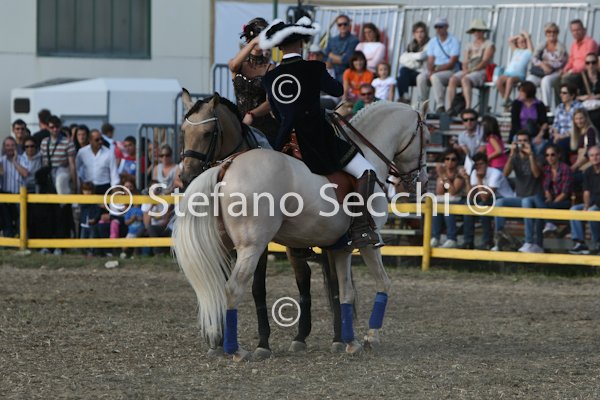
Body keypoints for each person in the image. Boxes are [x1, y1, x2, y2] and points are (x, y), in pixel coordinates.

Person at [260, 17, 382, 247]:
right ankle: (360, 228)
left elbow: (276, 112)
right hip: (317, 140)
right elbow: (336, 90)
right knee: (367, 170)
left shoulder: (270, 78)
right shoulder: (314, 67)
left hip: (285, 141)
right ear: (301, 43)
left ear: (279, 48)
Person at [229, 17, 279, 145]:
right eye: (255, 36)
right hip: (239, 124)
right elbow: (233, 66)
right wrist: (253, 43)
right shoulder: (238, 65)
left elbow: (270, 102)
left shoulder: (270, 68)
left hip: (263, 126)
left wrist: (252, 114)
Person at [493, 131, 544, 253]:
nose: (522, 144)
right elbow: (505, 174)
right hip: (520, 198)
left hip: (535, 198)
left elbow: (537, 174)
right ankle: (499, 239)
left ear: (530, 142)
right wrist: (511, 155)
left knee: (526, 201)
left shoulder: (538, 156)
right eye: (520, 141)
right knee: (499, 202)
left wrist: (531, 155)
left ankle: (529, 242)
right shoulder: (515, 157)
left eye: (525, 141)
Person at [459, 152, 515, 249]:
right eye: (476, 165)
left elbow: (485, 197)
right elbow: (470, 196)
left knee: (483, 205)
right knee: (469, 204)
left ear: (487, 164)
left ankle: (487, 241)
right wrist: (467, 179)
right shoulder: (475, 173)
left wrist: (479, 179)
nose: (479, 167)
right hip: (490, 199)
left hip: (504, 199)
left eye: (481, 164)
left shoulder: (495, 173)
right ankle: (468, 241)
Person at [446, 19, 495, 112]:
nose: (476, 32)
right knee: (453, 79)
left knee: (465, 80)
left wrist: (470, 71)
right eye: (474, 30)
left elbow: (485, 62)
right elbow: (465, 61)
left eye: (479, 30)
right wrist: (465, 70)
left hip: (482, 71)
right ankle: (450, 107)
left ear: (483, 31)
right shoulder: (469, 45)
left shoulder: (489, 45)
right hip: (468, 71)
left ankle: (468, 108)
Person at [415, 17, 460, 114]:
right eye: (436, 27)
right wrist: (430, 70)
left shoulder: (454, 41)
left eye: (440, 26)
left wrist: (435, 70)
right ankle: (424, 107)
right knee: (420, 77)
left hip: (449, 70)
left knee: (435, 77)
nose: (438, 29)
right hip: (435, 69)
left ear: (446, 27)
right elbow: (430, 59)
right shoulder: (433, 41)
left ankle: (440, 106)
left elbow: (452, 63)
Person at [553, 19, 598, 106]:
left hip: (584, 73)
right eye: (573, 31)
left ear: (584, 30)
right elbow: (571, 60)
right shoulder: (574, 44)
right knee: (556, 82)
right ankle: (561, 107)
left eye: (578, 30)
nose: (576, 32)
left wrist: (571, 71)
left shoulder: (590, 43)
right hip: (573, 72)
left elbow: (588, 62)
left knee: (566, 80)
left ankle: (571, 105)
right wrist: (564, 71)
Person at [525, 22, 567, 110]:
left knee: (545, 81)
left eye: (554, 31)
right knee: (529, 81)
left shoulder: (561, 47)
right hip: (541, 71)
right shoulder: (542, 45)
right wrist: (542, 64)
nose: (551, 34)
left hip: (555, 72)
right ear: (545, 33)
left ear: (557, 33)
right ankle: (529, 105)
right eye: (549, 31)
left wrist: (549, 65)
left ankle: (546, 107)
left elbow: (561, 62)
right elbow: (533, 58)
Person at [569, 145, 600, 255]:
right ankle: (580, 242)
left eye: (597, 155)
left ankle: (597, 243)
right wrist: (586, 207)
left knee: (592, 211)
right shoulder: (587, 171)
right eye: (592, 155)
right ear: (589, 158)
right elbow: (586, 191)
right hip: (592, 203)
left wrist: (589, 208)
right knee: (574, 209)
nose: (595, 157)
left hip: (598, 205)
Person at [431, 148, 464, 248]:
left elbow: (453, 192)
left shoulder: (459, 173)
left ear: (457, 161)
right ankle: (435, 237)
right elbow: (439, 192)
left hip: (459, 201)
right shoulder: (442, 173)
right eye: (447, 159)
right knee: (436, 206)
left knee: (447, 207)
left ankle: (451, 238)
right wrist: (442, 176)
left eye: (453, 159)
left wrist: (443, 176)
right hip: (446, 201)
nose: (450, 162)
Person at [496, 32, 534, 111]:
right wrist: (518, 36)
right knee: (499, 81)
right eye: (520, 42)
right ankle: (507, 100)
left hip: (519, 75)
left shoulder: (528, 52)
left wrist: (526, 36)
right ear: (517, 44)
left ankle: (505, 99)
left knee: (510, 80)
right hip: (508, 73)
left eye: (523, 42)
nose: (522, 44)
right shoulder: (516, 50)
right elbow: (509, 40)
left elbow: (530, 46)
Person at [541, 144, 573, 235]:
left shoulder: (565, 169)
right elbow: (545, 186)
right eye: (547, 155)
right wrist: (547, 193)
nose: (549, 158)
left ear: (558, 155)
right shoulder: (546, 169)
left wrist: (553, 202)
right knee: (537, 202)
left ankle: (550, 224)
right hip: (551, 200)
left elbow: (565, 193)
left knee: (545, 207)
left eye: (552, 155)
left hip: (564, 201)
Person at [76, 129, 120, 195]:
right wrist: (79, 181)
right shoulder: (82, 152)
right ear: (90, 140)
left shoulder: (109, 153)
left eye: (101, 139)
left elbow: (114, 173)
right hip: (88, 188)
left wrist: (115, 189)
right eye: (97, 140)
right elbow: (76, 168)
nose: (100, 142)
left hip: (104, 186)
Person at [0, 137, 28, 237]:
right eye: (7, 146)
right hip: (5, 196)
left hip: (19, 196)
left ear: (16, 147)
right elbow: (1, 173)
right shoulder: (1, 160)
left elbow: (25, 173)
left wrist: (15, 162)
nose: (10, 148)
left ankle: (22, 240)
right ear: (4, 147)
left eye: (12, 145)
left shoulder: (22, 158)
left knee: (21, 223)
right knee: (6, 224)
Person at [550, 82, 584, 162]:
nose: (561, 95)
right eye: (561, 93)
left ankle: (564, 168)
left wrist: (562, 136)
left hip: (573, 136)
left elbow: (578, 127)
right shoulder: (559, 107)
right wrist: (556, 135)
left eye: (564, 93)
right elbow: (555, 125)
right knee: (547, 146)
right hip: (559, 136)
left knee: (560, 146)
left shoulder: (579, 107)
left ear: (572, 95)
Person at [397, 21, 429, 103]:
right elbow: (401, 59)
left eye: (421, 32)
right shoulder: (411, 45)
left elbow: (422, 56)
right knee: (402, 72)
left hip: (425, 72)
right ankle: (405, 97)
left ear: (425, 33)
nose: (419, 34)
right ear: (414, 34)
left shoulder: (430, 44)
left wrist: (409, 56)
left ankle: (419, 103)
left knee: (403, 73)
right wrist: (415, 57)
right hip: (415, 71)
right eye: (417, 32)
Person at [510, 80, 549, 148]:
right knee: (519, 143)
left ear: (528, 92)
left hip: (535, 134)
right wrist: (522, 135)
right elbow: (514, 123)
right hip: (520, 133)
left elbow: (544, 123)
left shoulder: (539, 104)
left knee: (539, 145)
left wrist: (539, 136)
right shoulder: (516, 104)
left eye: (521, 92)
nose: (519, 94)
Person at [323, 14, 359, 83]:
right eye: (340, 25)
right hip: (330, 71)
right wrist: (339, 58)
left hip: (345, 73)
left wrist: (331, 56)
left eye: (345, 24)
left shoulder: (354, 40)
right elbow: (325, 57)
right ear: (337, 26)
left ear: (349, 25)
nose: (343, 26)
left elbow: (347, 60)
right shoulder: (332, 40)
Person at [570, 109, 599, 173]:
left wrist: (575, 166)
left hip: (589, 164)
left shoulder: (590, 131)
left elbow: (589, 152)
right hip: (582, 163)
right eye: (576, 119)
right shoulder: (579, 132)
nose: (579, 121)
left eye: (581, 118)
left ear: (586, 118)